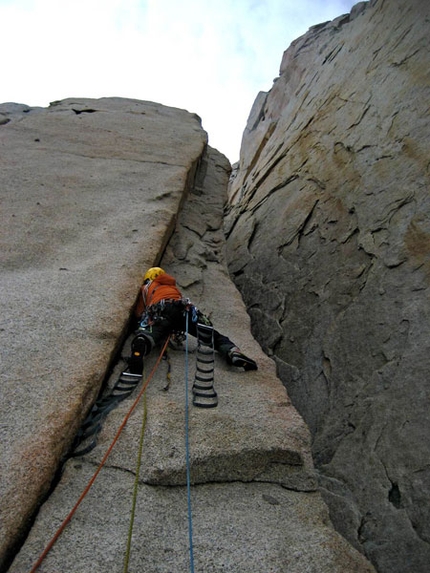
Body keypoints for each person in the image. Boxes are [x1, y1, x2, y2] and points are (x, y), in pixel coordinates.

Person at [128, 267, 258, 375]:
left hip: (162, 311)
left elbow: (139, 313)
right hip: (183, 310)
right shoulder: (172, 287)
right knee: (211, 335)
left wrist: (138, 326)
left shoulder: (147, 287)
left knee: (149, 333)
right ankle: (233, 351)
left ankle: (141, 345)